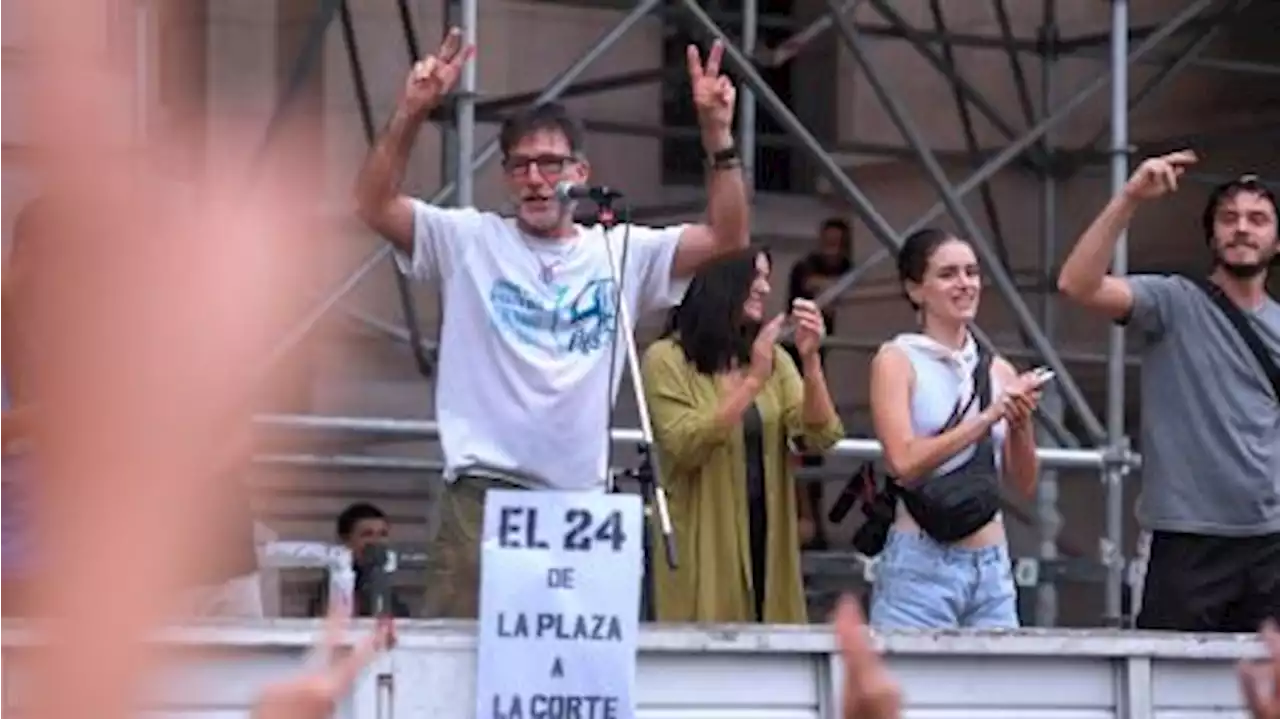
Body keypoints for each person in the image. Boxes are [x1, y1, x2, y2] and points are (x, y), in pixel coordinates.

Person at [352, 29, 750, 619]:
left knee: (571, 679)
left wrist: (717, 134)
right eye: (521, 167)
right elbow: (374, 205)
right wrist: (412, 111)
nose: (536, 179)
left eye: (551, 164)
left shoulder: (621, 250)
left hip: (578, 504)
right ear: (507, 177)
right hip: (484, 496)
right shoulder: (470, 239)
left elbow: (727, 238)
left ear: (581, 171)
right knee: (460, 669)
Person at [1057, 152, 1280, 632]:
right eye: (1229, 218)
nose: (1242, 228)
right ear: (1212, 235)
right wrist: (1130, 197)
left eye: (1258, 219)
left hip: (1271, 541)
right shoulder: (1172, 302)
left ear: (1276, 241)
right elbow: (1077, 284)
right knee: (1172, 694)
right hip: (1185, 538)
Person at [642, 249, 843, 623]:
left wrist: (811, 362)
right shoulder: (665, 359)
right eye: (758, 276)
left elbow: (818, 436)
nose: (767, 288)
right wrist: (752, 383)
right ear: (724, 281)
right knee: (710, 661)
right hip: (705, 539)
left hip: (768, 536)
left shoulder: (772, 358)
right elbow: (685, 444)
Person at [867, 229, 1044, 629]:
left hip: (992, 566)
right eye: (948, 274)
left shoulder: (998, 369)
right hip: (920, 562)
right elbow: (903, 461)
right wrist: (984, 419)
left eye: (972, 272)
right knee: (910, 688)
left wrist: (1019, 423)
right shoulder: (897, 359)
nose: (965, 284)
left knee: (998, 689)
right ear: (916, 289)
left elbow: (1025, 483)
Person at [308, 502, 412, 618]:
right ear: (346, 540)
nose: (376, 541)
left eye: (383, 534)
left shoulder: (386, 577)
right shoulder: (336, 581)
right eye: (367, 534)